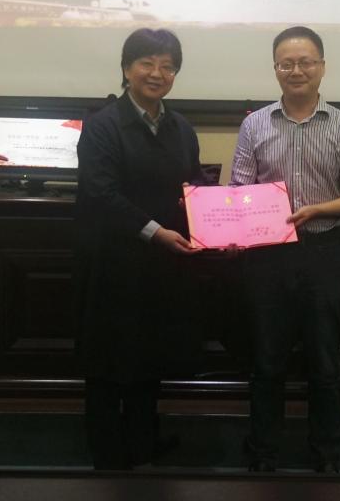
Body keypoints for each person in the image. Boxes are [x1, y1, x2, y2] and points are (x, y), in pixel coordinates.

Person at [230, 25, 340, 473]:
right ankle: (263, 451)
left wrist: (316, 210)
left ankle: (327, 451)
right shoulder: (254, 124)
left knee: (324, 361)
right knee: (266, 359)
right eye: (286, 63)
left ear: (322, 67)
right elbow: (239, 189)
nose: (296, 70)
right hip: (267, 256)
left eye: (305, 62)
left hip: (322, 252)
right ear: (276, 69)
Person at [74, 28, 205, 470]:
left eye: (168, 66)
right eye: (147, 63)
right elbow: (100, 194)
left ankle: (143, 440)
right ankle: (107, 450)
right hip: (113, 261)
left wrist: (213, 220)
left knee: (149, 352)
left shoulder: (180, 127)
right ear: (127, 68)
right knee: (108, 357)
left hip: (160, 265)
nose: (157, 73)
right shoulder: (102, 125)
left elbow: (191, 185)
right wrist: (155, 231)